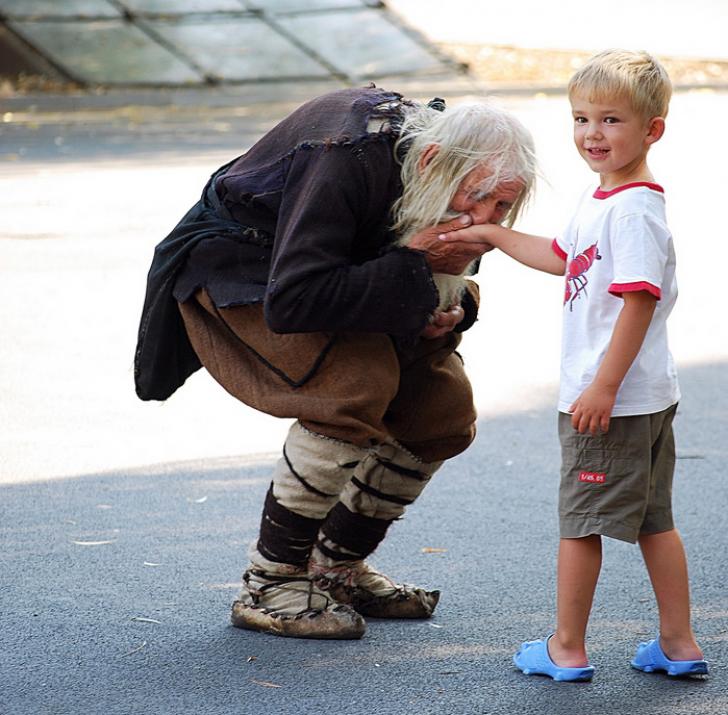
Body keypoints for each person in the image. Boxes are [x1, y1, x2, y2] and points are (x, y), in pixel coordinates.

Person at [134, 85, 537, 639]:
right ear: (431, 162)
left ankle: (336, 569)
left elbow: (431, 265)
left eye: (502, 206)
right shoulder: (345, 153)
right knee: (352, 386)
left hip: (340, 275)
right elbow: (296, 298)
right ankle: (270, 583)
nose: (486, 222)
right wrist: (414, 273)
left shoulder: (441, 170)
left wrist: (453, 305)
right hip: (247, 269)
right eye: (478, 198)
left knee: (440, 410)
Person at [440, 50, 708, 680]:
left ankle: (566, 648)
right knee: (652, 521)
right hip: (639, 397)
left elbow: (638, 299)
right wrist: (493, 238)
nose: (592, 133)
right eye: (582, 118)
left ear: (652, 130)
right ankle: (678, 643)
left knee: (580, 525)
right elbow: (564, 257)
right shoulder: (605, 198)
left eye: (612, 120)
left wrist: (602, 386)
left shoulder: (634, 209)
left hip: (611, 399)